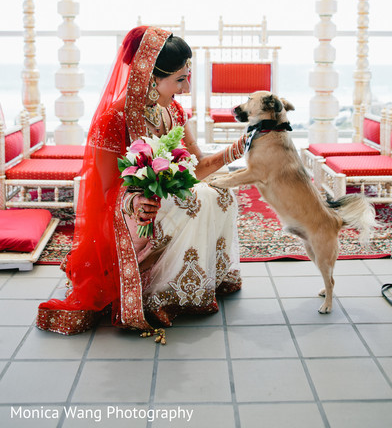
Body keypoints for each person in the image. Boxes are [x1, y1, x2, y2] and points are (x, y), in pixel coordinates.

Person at [37, 26, 246, 335]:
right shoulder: (114, 120)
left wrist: (238, 150)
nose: (186, 88)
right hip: (132, 211)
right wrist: (136, 199)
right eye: (179, 79)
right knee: (193, 200)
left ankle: (189, 284)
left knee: (220, 192)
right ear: (150, 77)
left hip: (166, 197)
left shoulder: (171, 108)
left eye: (187, 76)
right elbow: (108, 188)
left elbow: (197, 165)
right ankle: (156, 295)